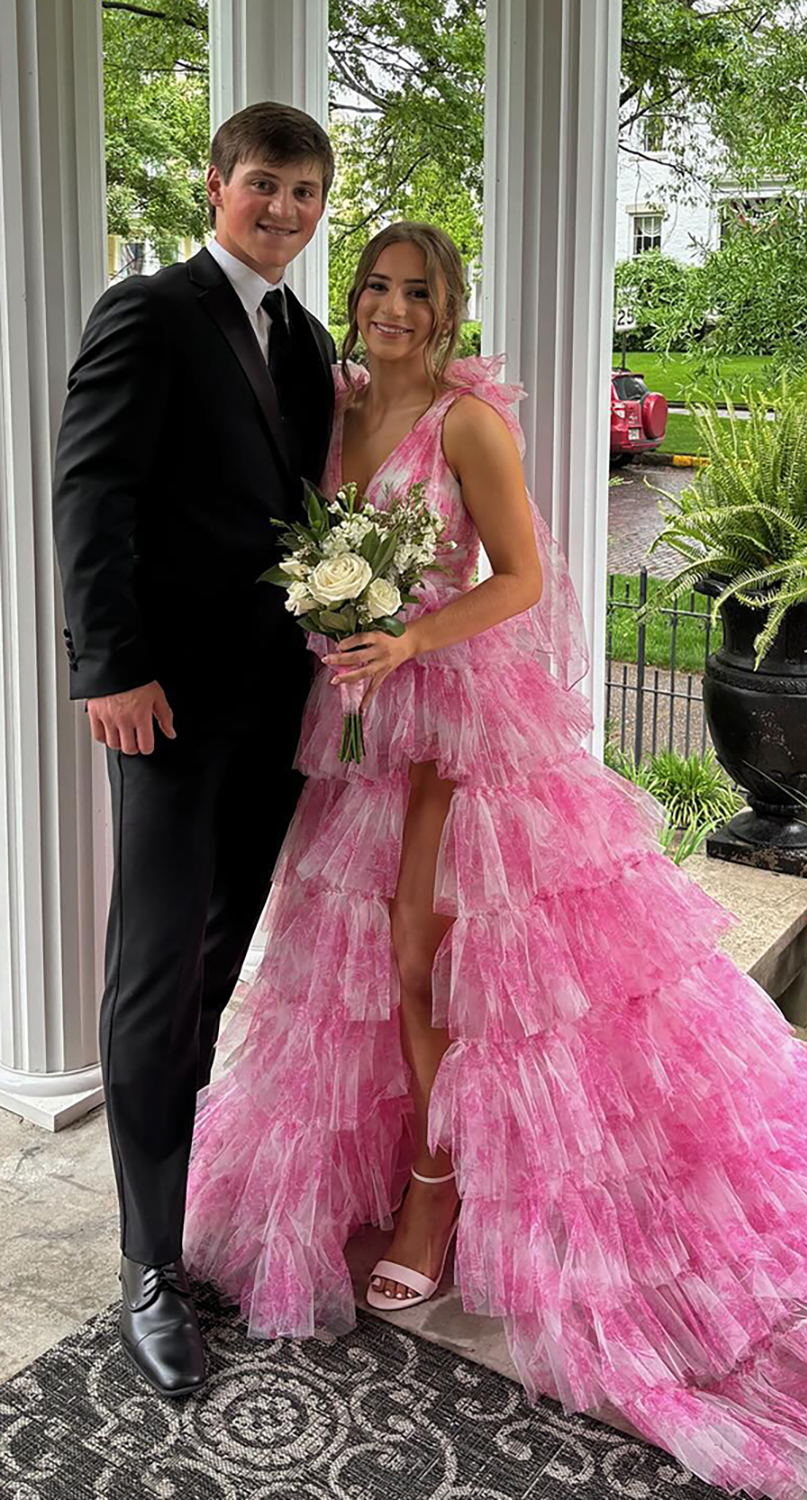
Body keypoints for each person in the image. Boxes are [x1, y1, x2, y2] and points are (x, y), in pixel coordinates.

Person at [184, 222, 807, 1499]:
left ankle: (435, 1195)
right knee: (353, 961)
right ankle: (411, 1167)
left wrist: (408, 639)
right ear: (355, 302)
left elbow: (522, 580)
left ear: (448, 310)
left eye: (419, 294)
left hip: (460, 717)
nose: (395, 310)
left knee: (427, 958)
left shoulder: (465, 424)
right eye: (380, 291)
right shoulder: (329, 404)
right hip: (357, 726)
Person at [52, 101, 336, 1399]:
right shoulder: (150, 311)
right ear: (216, 185)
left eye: (305, 194)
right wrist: (110, 668)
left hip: (275, 708)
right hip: (163, 710)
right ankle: (148, 1271)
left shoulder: (308, 338)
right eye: (265, 186)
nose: (283, 210)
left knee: (217, 962)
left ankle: (174, 1208)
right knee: (155, 974)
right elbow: (93, 491)